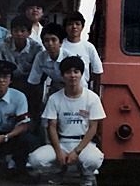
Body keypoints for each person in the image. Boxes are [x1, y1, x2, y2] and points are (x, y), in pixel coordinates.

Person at [27, 56, 106, 186]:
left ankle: (86, 175)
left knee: (94, 159)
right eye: (68, 72)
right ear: (62, 76)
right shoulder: (54, 98)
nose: (72, 75)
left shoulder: (92, 98)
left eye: (76, 71)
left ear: (81, 74)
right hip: (61, 142)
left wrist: (76, 151)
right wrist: (58, 152)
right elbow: (51, 126)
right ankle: (57, 171)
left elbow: (93, 128)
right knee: (36, 159)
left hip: (83, 143)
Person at [61, 11, 103, 91]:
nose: (74, 27)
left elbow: (97, 71)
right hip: (61, 91)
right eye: (70, 24)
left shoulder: (89, 47)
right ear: (65, 27)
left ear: (82, 27)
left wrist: (95, 93)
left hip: (83, 91)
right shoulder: (60, 46)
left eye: (77, 24)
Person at [0, 15, 43, 91]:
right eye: (15, 31)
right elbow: (1, 66)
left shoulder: (36, 48)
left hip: (30, 84)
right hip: (10, 82)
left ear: (29, 32)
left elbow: (37, 72)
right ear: (11, 32)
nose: (19, 34)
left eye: (22, 31)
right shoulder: (4, 46)